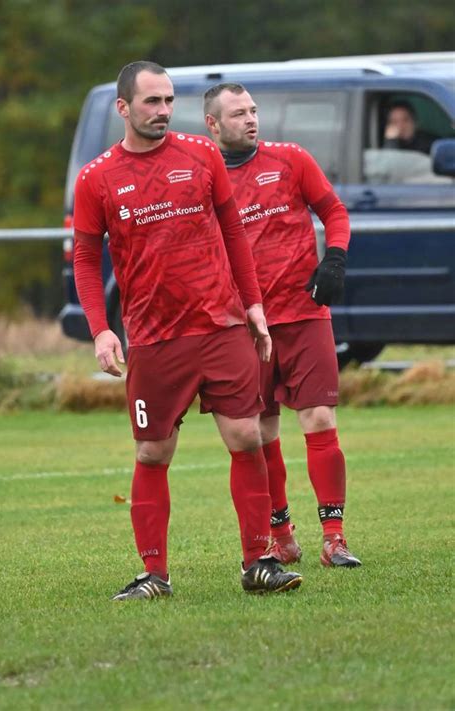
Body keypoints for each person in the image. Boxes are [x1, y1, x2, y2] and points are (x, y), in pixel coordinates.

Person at [73, 61, 303, 600]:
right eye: (151, 101)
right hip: (153, 339)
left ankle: (258, 562)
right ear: (123, 108)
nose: (162, 110)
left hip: (220, 325)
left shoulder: (201, 155)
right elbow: (85, 259)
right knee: (153, 453)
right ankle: (155, 574)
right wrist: (102, 331)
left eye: (169, 100)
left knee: (247, 435)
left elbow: (234, 234)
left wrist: (253, 306)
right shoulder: (96, 178)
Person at [204, 83, 361, 568]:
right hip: (244, 326)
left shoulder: (291, 159)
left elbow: (334, 211)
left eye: (253, 111)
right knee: (259, 432)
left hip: (304, 313)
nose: (251, 119)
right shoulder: (200, 179)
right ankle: (282, 534)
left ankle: (334, 538)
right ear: (212, 124)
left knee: (319, 420)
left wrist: (333, 259)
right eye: (237, 114)